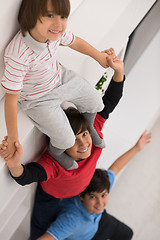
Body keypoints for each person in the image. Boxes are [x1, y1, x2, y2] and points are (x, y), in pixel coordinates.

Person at [0, 55, 124, 239]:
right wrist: (14, 164)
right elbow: (27, 176)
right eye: (73, 141)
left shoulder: (93, 132)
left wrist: (118, 71)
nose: (83, 144)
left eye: (84, 135)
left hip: (77, 193)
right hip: (50, 197)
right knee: (39, 231)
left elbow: (110, 102)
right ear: (61, 144)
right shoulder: (55, 163)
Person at [0, 0, 117, 170]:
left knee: (96, 102)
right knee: (66, 140)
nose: (59, 24)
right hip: (38, 100)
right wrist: (12, 138)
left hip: (60, 78)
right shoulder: (18, 54)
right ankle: (56, 152)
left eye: (63, 16)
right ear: (31, 15)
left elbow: (75, 41)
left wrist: (98, 56)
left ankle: (90, 127)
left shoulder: (54, 33)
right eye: (50, 15)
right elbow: (11, 100)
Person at [36, 130, 151, 240]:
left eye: (103, 195)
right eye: (92, 197)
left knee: (127, 234)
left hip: (98, 220)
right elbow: (49, 237)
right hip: (87, 236)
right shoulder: (71, 220)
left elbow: (116, 167)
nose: (100, 203)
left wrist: (137, 148)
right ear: (81, 196)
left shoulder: (102, 186)